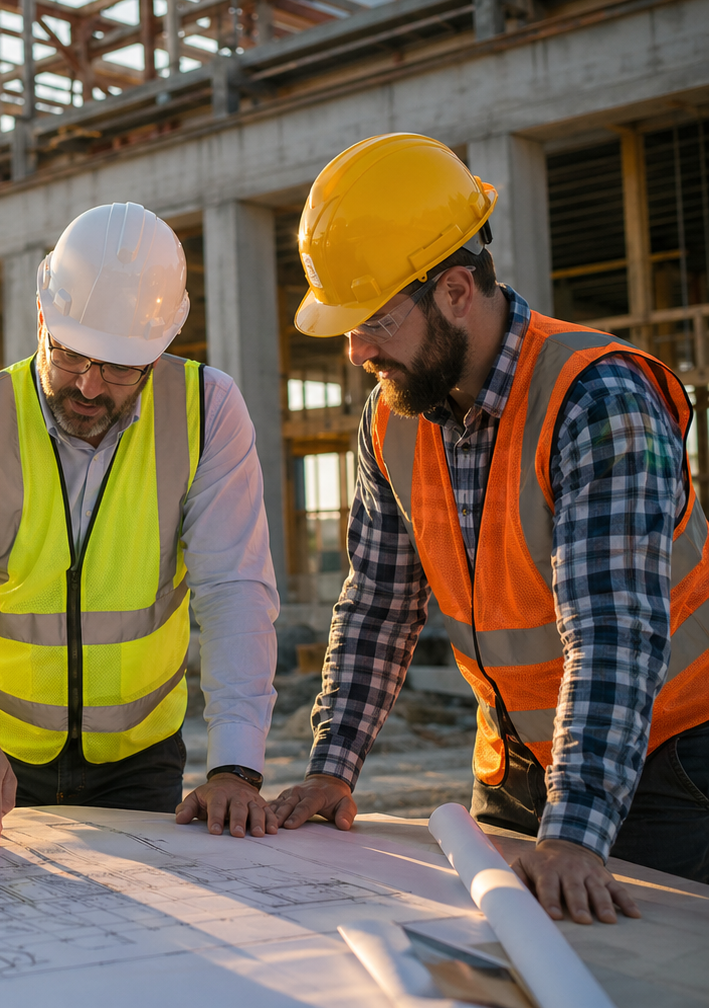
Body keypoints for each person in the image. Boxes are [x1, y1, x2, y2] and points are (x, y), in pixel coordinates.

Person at [273, 132, 709, 923]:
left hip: (668, 768)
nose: (354, 349)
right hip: (511, 768)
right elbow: (378, 605)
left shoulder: (597, 399)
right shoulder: (392, 415)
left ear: (456, 291)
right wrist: (333, 767)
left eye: (372, 320)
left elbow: (612, 631)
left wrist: (574, 832)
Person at [0, 202, 280, 849]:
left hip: (141, 758)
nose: (90, 386)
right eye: (70, 355)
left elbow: (234, 588)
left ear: (160, 348)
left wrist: (236, 765)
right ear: (42, 318)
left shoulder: (208, 412)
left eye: (120, 367)